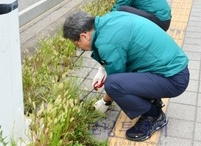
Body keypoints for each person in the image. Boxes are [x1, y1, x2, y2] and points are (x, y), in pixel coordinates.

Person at [62, 10, 189, 141]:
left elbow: (116, 80)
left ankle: (154, 116)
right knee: (121, 78)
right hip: (172, 68)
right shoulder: (110, 19)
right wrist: (103, 69)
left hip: (173, 78)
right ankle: (152, 99)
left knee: (113, 84)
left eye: (77, 44)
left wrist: (105, 102)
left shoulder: (106, 43)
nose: (80, 47)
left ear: (84, 36)